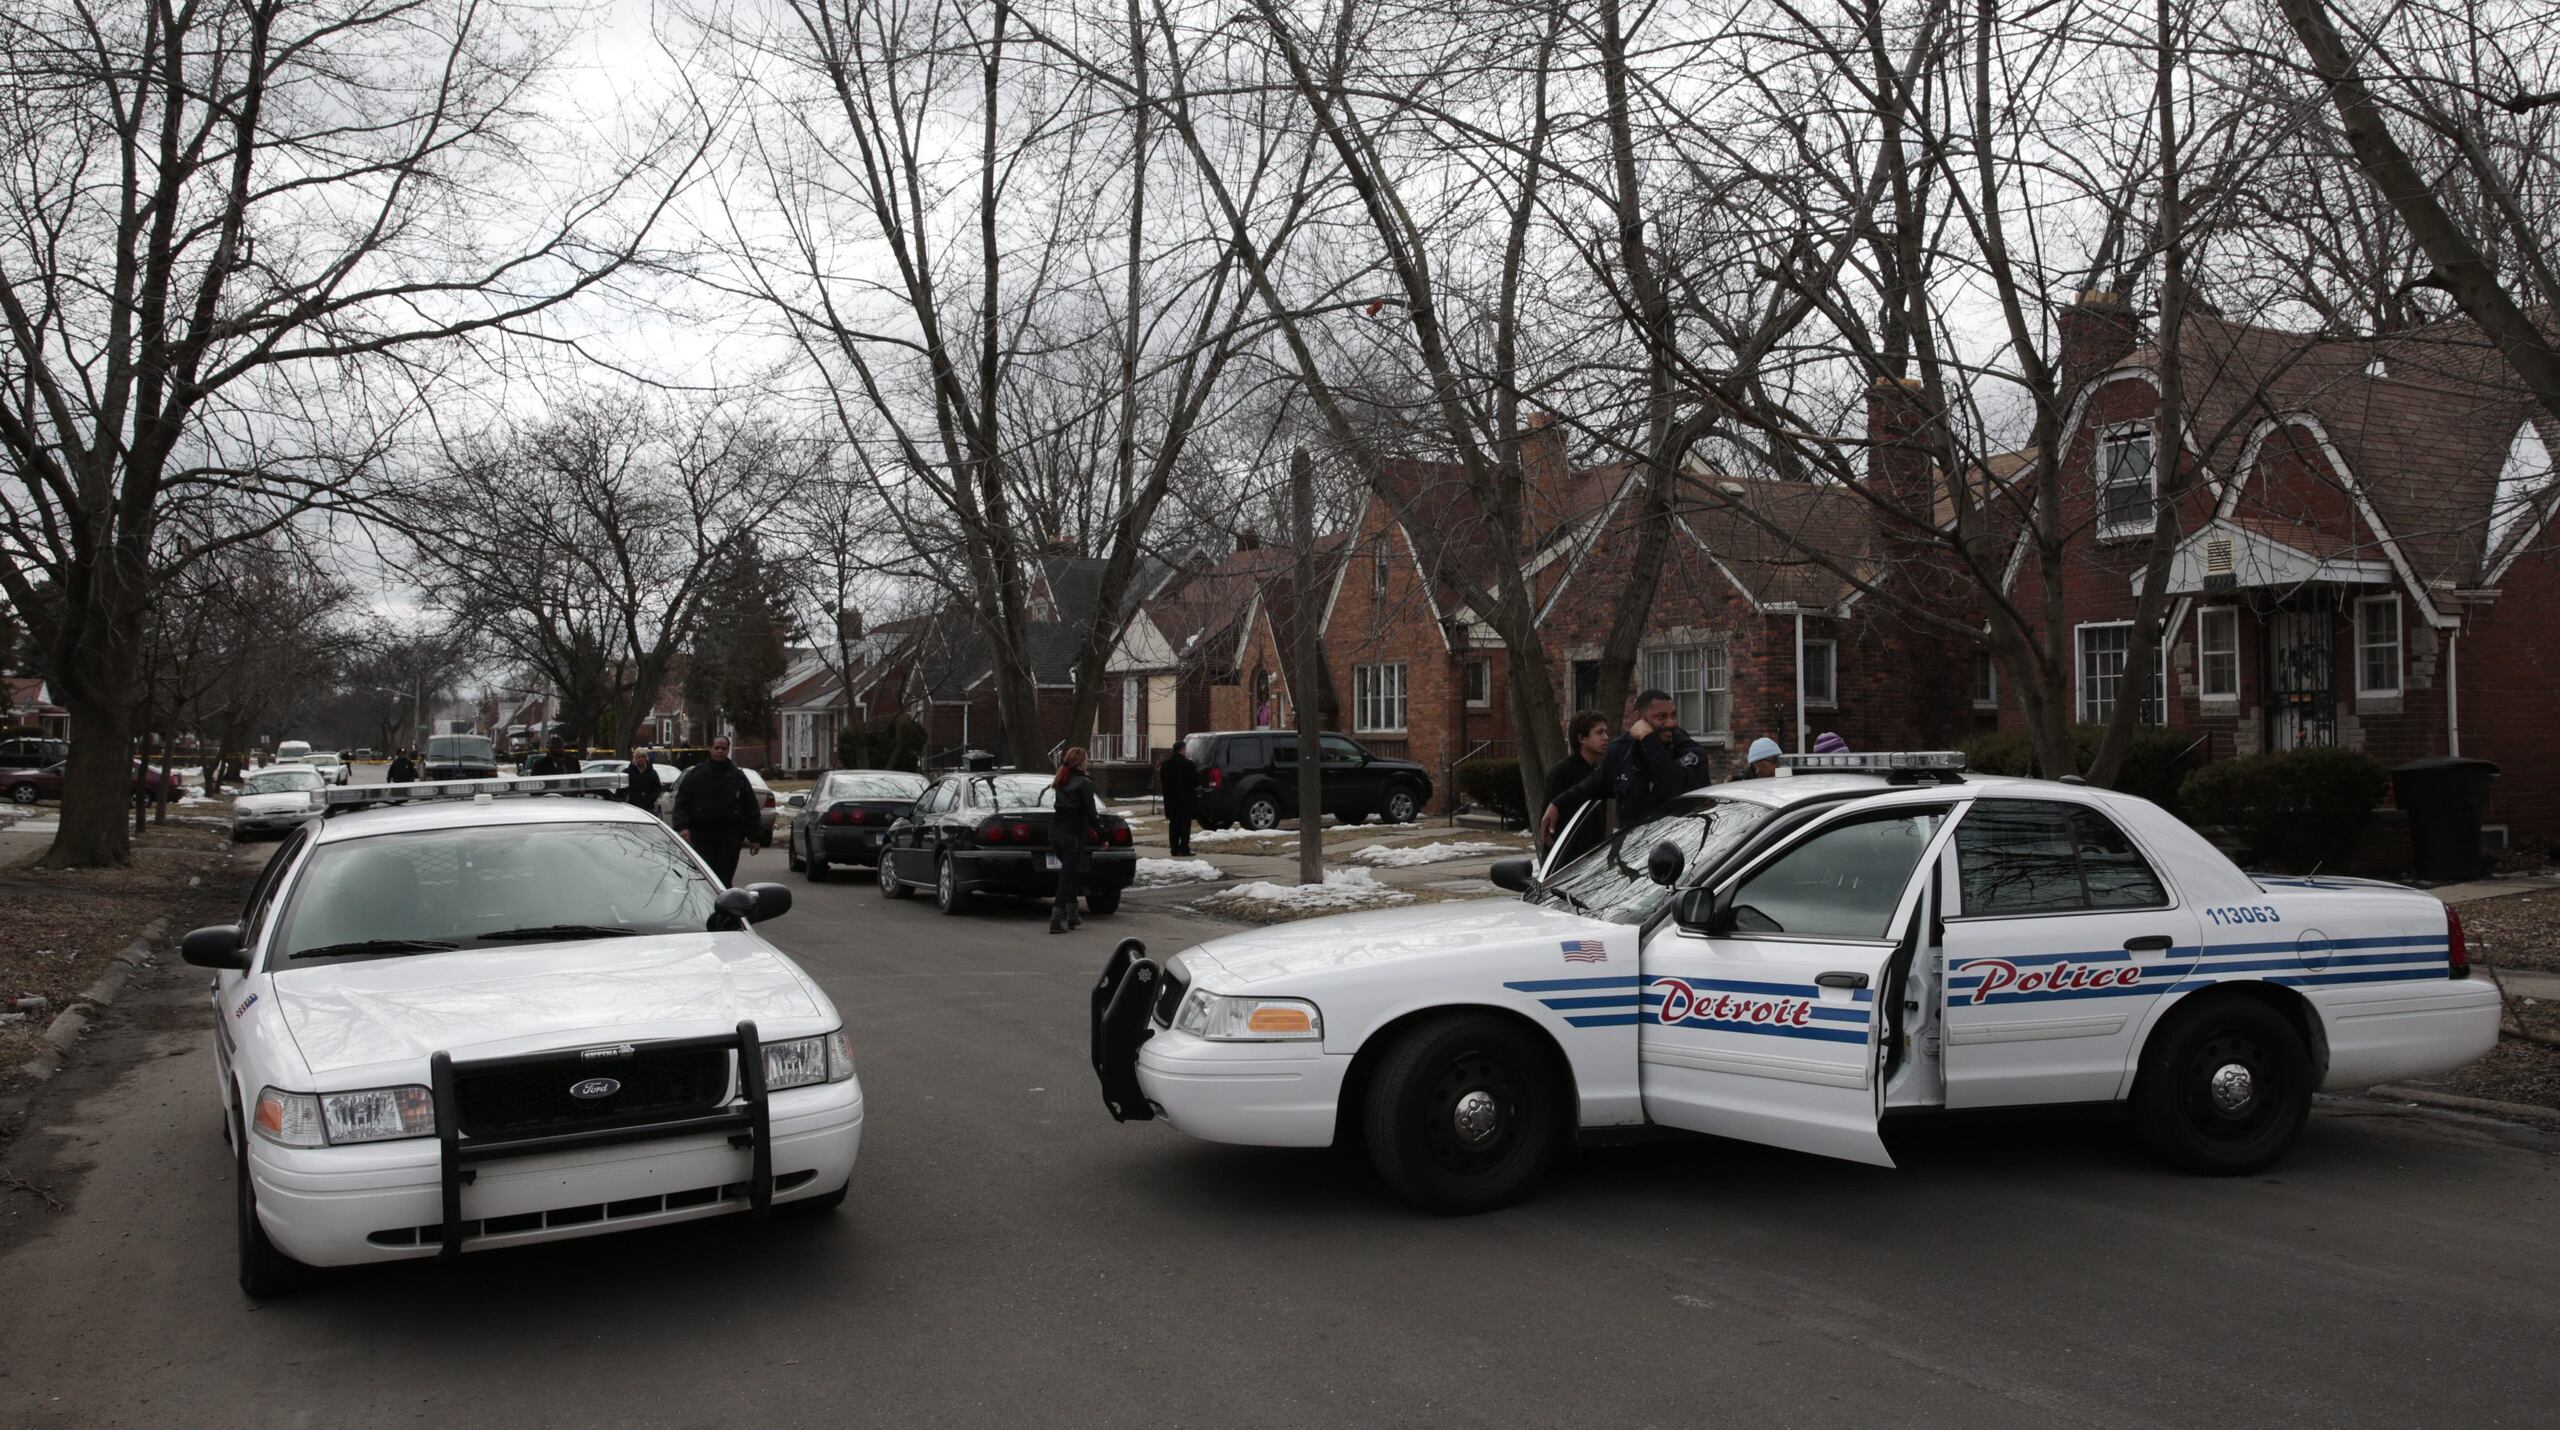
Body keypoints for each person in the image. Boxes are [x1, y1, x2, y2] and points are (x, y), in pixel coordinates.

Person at [1540, 688, 1717, 837]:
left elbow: (1676, 789)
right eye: (1661, 717)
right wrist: (1557, 804)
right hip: (1635, 856)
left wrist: (1649, 741)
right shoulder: (1622, 752)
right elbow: (1590, 786)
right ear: (1639, 718)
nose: (1670, 723)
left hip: (1683, 851)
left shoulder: (1691, 753)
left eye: (1673, 715)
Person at [670, 736, 763, 884]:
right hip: (702, 835)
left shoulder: (737, 777)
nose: (720, 751)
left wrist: (755, 837)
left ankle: (724, 904)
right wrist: (682, 826)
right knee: (704, 877)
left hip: (729, 836)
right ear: (710, 749)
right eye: (717, 748)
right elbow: (682, 802)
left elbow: (750, 807)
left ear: (727, 750)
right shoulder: (696, 775)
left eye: (723, 748)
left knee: (724, 878)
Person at [1541, 710, 1612, 859]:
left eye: (1606, 732)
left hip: (1593, 858)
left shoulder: (1599, 771)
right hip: (1566, 860)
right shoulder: (1561, 773)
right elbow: (1548, 825)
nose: (1606, 737)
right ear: (1582, 738)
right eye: (1599, 732)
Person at [1049, 746, 1098, 935]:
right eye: (1086, 759)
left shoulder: (1062, 779)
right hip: (1073, 834)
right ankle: (1056, 918)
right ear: (1079, 762)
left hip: (1056, 833)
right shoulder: (1084, 782)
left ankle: (1072, 914)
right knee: (1067, 876)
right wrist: (1101, 833)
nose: (1088, 762)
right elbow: (1090, 811)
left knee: (1069, 872)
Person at [1158, 743, 1198, 857]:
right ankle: (1184, 848)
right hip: (1185, 800)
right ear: (1182, 749)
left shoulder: (1165, 765)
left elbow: (1163, 781)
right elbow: (1195, 780)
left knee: (1174, 824)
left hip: (1171, 800)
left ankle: (1174, 849)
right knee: (1185, 825)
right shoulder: (1188, 764)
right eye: (1185, 749)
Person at [623, 746, 664, 813]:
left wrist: (652, 799)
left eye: (643, 757)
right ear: (635, 758)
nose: (641, 759)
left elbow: (657, 788)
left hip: (648, 808)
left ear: (646, 758)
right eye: (639, 757)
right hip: (632, 807)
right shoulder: (628, 772)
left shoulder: (652, 773)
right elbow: (623, 788)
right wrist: (628, 797)